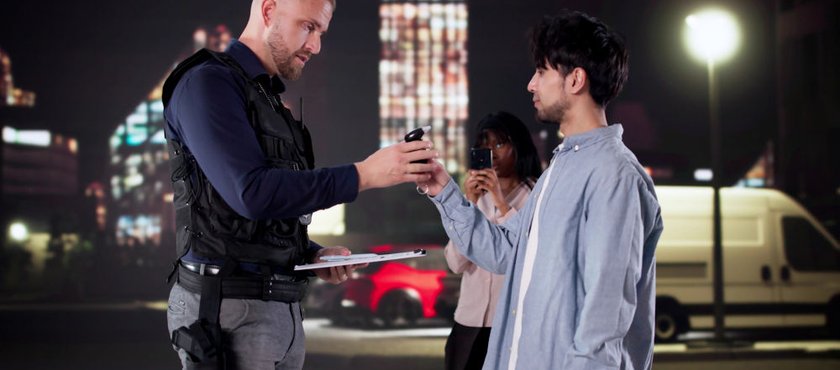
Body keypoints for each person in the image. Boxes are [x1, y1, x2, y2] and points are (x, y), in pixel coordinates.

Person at [161, 0, 437, 369]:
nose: (315, 46)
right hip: (228, 310)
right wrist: (363, 175)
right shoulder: (207, 83)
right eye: (308, 27)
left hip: (278, 307)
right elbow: (251, 193)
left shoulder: (268, 100)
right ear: (270, 10)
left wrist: (310, 255)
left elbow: (247, 219)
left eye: (321, 32)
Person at [417, 10, 663, 370]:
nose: (531, 84)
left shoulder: (614, 177)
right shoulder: (558, 171)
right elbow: (506, 251)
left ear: (575, 80)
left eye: (542, 71)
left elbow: (604, 317)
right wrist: (443, 189)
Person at [444, 111, 542, 370]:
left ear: (518, 146)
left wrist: (501, 201)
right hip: (468, 322)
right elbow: (455, 262)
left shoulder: (536, 196)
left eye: (500, 144)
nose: (492, 153)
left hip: (511, 324)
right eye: (484, 146)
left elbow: (523, 255)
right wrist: (470, 205)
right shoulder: (476, 199)